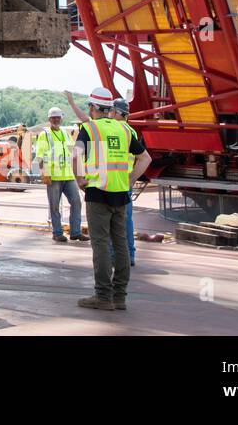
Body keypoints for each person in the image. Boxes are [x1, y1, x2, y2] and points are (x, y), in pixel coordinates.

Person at [73, 87, 151, 312]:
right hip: (121, 196)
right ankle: (119, 297)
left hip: (97, 194)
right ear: (110, 109)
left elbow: (76, 155)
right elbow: (145, 158)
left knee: (101, 245)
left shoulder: (89, 128)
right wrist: (129, 180)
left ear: (92, 108)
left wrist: (80, 179)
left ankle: (103, 296)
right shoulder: (125, 130)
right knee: (121, 245)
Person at [35, 107, 82, 243]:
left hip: (67, 176)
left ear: (61, 118)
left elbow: (71, 154)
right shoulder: (45, 134)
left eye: (58, 117)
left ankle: (75, 232)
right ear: (49, 119)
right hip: (53, 177)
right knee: (54, 206)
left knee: (76, 202)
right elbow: (40, 156)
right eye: (53, 118)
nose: (56, 120)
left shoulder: (66, 134)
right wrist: (44, 173)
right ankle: (57, 232)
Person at [113, 96, 138, 267]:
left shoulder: (113, 130)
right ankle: (130, 255)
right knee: (127, 219)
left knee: (111, 221)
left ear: (117, 113)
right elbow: (140, 158)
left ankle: (114, 255)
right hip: (125, 181)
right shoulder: (131, 131)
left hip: (112, 181)